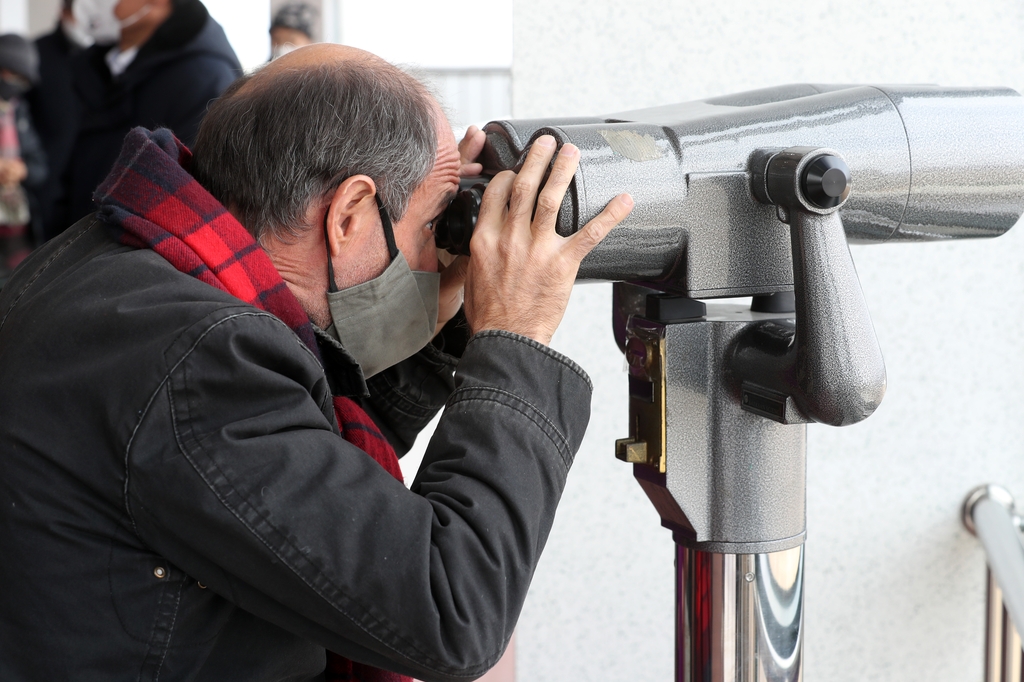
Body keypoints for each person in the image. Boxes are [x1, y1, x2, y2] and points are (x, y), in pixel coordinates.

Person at [0, 43, 633, 681]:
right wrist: (513, 337)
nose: (441, 250)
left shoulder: (129, 268)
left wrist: (441, 323)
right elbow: (451, 610)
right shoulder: (197, 362)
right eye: (433, 223)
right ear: (349, 215)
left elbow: (298, 485)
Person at [60, 0, 240, 233]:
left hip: (129, 253)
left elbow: (187, 196)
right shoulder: (94, 66)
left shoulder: (204, 79)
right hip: (74, 244)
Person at [27, 0, 91, 242]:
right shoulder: (35, 53)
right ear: (64, 12)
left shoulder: (99, 60)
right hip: (43, 182)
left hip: (85, 182)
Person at [0, 34, 46, 287]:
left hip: (17, 226)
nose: (14, 83)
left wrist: (22, 170)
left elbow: (40, 166)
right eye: (9, 73)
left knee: (17, 287)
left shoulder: (19, 112)